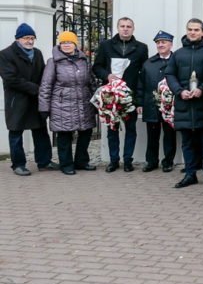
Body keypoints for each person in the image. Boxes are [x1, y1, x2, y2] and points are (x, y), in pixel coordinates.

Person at [92, 16, 149, 172]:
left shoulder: (141, 48)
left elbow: (142, 74)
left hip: (130, 95)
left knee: (131, 129)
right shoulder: (106, 45)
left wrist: (138, 101)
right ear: (117, 28)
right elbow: (96, 67)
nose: (125, 28)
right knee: (112, 129)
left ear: (133, 29)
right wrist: (107, 76)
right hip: (111, 95)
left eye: (128, 26)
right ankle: (114, 160)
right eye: (122, 26)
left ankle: (128, 160)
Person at [0, 23, 56, 175]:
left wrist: (46, 87)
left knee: (40, 131)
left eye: (32, 38)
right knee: (16, 133)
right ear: (18, 39)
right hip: (16, 101)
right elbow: (11, 79)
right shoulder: (5, 54)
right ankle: (18, 165)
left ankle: (44, 162)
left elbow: (44, 74)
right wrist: (36, 88)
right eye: (26, 38)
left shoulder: (37, 53)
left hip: (35, 100)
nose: (30, 41)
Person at [165, 19, 203, 188]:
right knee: (187, 143)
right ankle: (190, 173)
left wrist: (202, 89)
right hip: (184, 105)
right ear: (186, 31)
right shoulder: (178, 54)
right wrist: (179, 91)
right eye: (190, 29)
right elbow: (170, 75)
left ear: (202, 32)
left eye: (196, 29)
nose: (193, 32)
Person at [38, 32, 97, 175]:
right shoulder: (53, 62)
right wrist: (44, 107)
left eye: (69, 42)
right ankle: (66, 164)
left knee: (86, 132)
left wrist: (97, 102)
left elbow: (91, 83)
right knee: (64, 136)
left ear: (75, 44)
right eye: (63, 43)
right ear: (59, 45)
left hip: (83, 103)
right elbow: (45, 86)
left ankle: (81, 161)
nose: (66, 45)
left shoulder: (84, 61)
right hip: (62, 105)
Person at [136, 30, 177, 173]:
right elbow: (141, 84)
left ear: (170, 44)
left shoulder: (176, 60)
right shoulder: (148, 63)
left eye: (164, 42)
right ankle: (151, 161)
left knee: (170, 135)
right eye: (158, 42)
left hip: (170, 105)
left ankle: (168, 162)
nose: (161, 45)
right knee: (152, 135)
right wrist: (139, 103)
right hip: (151, 104)